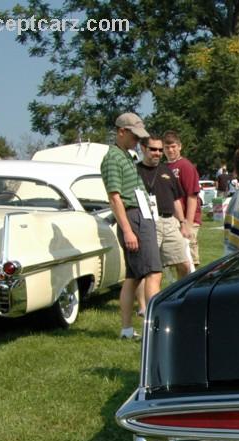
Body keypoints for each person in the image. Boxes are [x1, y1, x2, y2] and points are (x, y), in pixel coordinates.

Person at [101, 112, 161, 340]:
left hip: (140, 215)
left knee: (134, 276)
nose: (138, 140)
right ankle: (153, 329)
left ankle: (127, 330)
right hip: (132, 217)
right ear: (121, 132)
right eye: (134, 135)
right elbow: (115, 198)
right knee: (153, 273)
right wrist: (127, 230)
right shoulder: (112, 159)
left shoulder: (126, 155)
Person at [136, 135, 193, 281]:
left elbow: (176, 200)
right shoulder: (135, 171)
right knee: (148, 270)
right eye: (153, 149)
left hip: (169, 223)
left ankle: (180, 296)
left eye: (160, 150)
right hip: (146, 224)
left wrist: (183, 223)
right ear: (143, 148)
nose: (158, 153)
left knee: (185, 264)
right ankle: (145, 304)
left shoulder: (166, 170)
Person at [163, 131, 203, 267]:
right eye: (167, 147)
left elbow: (192, 195)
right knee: (178, 261)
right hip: (173, 221)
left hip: (187, 220)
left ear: (180, 146)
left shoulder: (185, 166)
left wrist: (188, 224)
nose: (170, 150)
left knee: (190, 261)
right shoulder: (164, 167)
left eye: (173, 146)